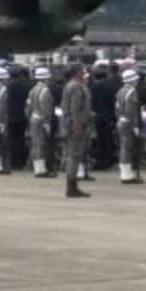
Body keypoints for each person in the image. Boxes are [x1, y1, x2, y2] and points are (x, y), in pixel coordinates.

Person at [61, 64, 92, 198]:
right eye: (82, 71)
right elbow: (75, 108)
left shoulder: (70, 85)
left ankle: (72, 186)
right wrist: (77, 126)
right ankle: (71, 187)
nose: (84, 74)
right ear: (76, 73)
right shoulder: (76, 87)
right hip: (76, 124)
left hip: (72, 123)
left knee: (73, 155)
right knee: (74, 155)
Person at [26, 68, 56, 178]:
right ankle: (41, 170)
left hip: (33, 119)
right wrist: (47, 122)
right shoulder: (45, 91)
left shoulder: (32, 90)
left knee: (35, 144)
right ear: (46, 78)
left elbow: (28, 108)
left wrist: (30, 118)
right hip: (41, 120)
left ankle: (38, 168)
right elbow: (46, 108)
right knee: (41, 144)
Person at [115, 69, 144, 184]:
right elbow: (131, 110)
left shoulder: (120, 91)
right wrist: (135, 125)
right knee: (128, 148)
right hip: (128, 122)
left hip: (121, 120)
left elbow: (117, 108)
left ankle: (125, 173)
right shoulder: (132, 91)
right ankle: (127, 175)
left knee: (124, 147)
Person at [89, 65, 119, 170]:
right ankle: (106, 160)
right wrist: (113, 118)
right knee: (106, 140)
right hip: (106, 117)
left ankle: (97, 160)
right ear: (105, 76)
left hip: (94, 117)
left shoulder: (91, 88)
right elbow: (112, 105)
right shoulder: (109, 88)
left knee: (96, 140)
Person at [7, 68, 29, 170]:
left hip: (11, 117)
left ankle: (13, 162)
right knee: (21, 140)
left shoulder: (7, 88)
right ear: (19, 76)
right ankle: (21, 162)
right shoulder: (25, 87)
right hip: (22, 117)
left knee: (12, 140)